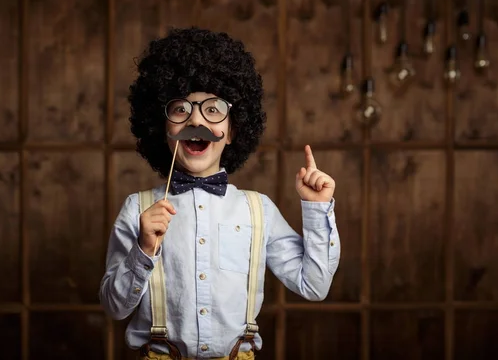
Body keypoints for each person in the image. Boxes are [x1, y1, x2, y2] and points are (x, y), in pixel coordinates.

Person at [99, 27, 341, 360]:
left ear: (232, 131)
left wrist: (317, 210)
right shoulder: (136, 209)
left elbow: (314, 286)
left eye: (213, 109)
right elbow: (114, 308)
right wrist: (142, 249)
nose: (195, 120)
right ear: (162, 129)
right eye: (181, 109)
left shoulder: (259, 210)